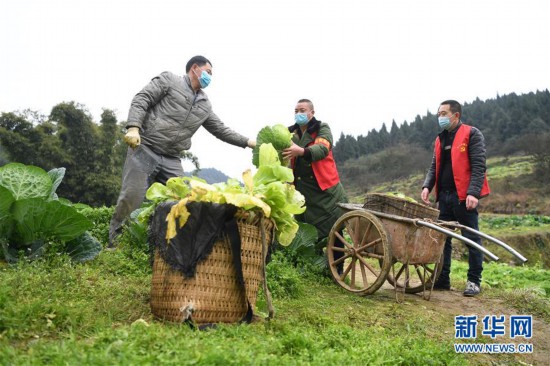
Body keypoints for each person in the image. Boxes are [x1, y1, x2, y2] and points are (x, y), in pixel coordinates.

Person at [109, 55, 256, 247]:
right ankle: (115, 244)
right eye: (208, 72)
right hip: (146, 148)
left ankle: (166, 248)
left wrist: (248, 142)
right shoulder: (170, 80)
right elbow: (142, 98)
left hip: (172, 158)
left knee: (183, 202)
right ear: (195, 68)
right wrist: (133, 127)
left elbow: (220, 130)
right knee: (132, 197)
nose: (210, 77)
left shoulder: (204, 104)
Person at [421, 99, 490, 297]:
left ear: (456, 115)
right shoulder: (440, 138)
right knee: (443, 239)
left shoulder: (472, 134)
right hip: (444, 197)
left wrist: (473, 193)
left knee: (471, 238)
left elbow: (479, 165)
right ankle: (443, 278)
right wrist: (427, 186)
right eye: (438, 114)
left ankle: (473, 281)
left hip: (464, 196)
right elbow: (435, 166)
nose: (440, 117)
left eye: (443, 113)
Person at [282, 99, 348, 273]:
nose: (299, 114)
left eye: (302, 110)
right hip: (304, 192)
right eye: (296, 110)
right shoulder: (290, 133)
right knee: (308, 229)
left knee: (336, 228)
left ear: (312, 112)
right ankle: (316, 267)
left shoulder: (321, 129)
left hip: (326, 190)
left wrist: (302, 151)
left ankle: (338, 268)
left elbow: (322, 149)